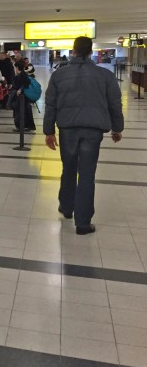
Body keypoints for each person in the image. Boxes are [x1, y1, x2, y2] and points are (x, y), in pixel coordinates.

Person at [43, 36, 124, 235]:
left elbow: (51, 105)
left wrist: (49, 131)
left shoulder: (59, 75)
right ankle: (83, 222)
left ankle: (66, 206)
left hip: (68, 129)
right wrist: (117, 128)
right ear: (90, 52)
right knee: (87, 173)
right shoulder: (104, 75)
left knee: (68, 167)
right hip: (92, 131)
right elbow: (115, 103)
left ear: (74, 50)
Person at [10, 61, 36, 132]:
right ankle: (25, 126)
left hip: (23, 97)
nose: (14, 68)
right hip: (22, 96)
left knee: (21, 111)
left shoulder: (23, 74)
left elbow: (26, 83)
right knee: (23, 111)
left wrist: (20, 89)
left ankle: (22, 126)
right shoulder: (19, 74)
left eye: (15, 67)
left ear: (17, 67)